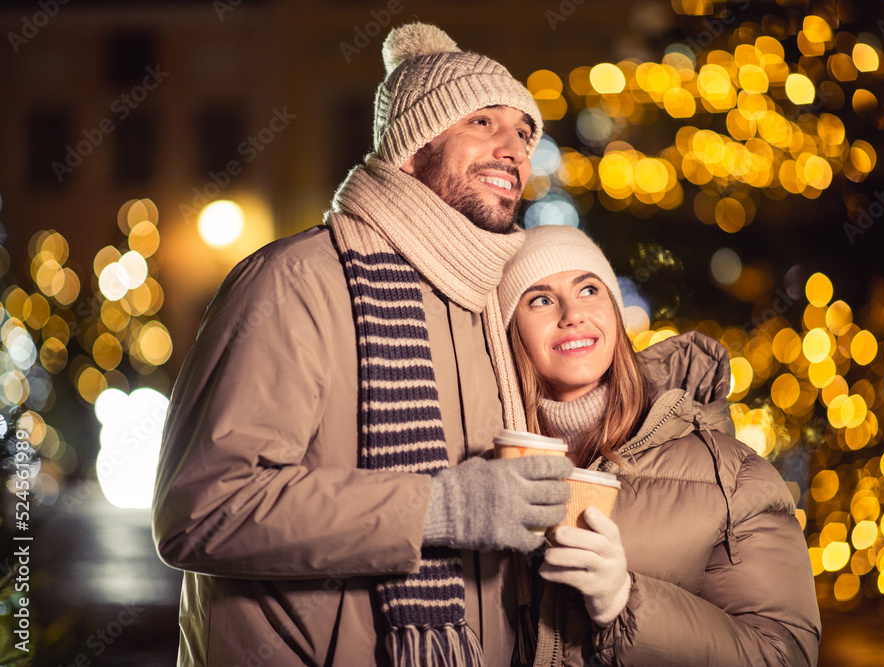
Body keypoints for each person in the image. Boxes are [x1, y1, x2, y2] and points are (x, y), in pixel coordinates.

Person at [151, 23, 574, 667]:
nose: (513, 148)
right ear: (408, 148)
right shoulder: (297, 281)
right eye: (483, 122)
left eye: (523, 132)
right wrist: (437, 509)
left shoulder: (487, 307)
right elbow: (203, 509)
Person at [497, 224, 822, 666]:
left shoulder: (730, 474)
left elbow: (783, 655)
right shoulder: (486, 462)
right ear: (509, 332)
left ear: (614, 312)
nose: (572, 313)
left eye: (589, 289)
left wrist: (624, 603)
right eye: (540, 299)